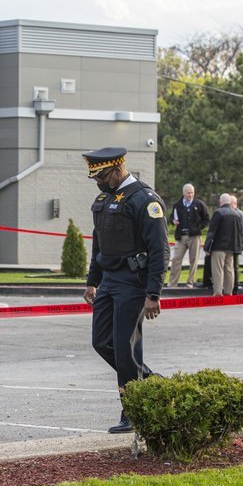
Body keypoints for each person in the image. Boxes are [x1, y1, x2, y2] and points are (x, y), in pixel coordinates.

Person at [81, 146, 169, 434]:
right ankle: (151, 382)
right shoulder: (104, 200)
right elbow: (99, 243)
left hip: (133, 282)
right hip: (108, 280)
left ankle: (132, 411)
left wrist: (153, 293)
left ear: (118, 169)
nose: (99, 182)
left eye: (102, 177)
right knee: (101, 341)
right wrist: (92, 280)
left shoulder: (144, 200)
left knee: (125, 346)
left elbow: (160, 250)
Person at [167, 183, 210, 288]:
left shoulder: (199, 204)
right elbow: (171, 217)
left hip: (194, 237)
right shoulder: (177, 205)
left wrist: (198, 228)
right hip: (181, 236)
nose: (190, 195)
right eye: (188, 193)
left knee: (193, 260)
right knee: (176, 259)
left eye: (192, 193)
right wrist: (173, 220)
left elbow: (206, 218)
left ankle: (190, 283)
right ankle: (172, 284)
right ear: (183, 193)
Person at [203, 193, 243, 297]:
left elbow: (212, 231)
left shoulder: (218, 213)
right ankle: (228, 292)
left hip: (219, 247)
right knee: (229, 270)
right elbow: (240, 232)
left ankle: (218, 293)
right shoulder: (237, 214)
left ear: (221, 202)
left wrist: (207, 246)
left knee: (218, 270)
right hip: (231, 247)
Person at [230, 195, 243, 295]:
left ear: (235, 204)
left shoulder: (241, 215)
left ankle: (235, 287)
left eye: (230, 203)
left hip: (235, 245)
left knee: (234, 267)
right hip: (228, 245)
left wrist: (242, 247)